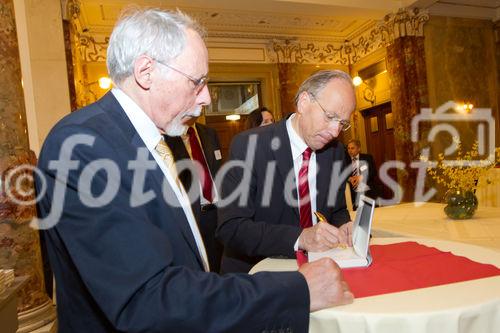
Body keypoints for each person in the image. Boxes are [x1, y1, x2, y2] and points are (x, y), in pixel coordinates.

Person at [34, 9, 353, 333]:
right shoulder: (81, 146)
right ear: (146, 72)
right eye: (196, 82)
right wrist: (297, 290)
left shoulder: (152, 141)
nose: (206, 97)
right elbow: (147, 299)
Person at [217, 70, 356, 274]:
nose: (335, 132)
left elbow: (336, 210)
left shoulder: (334, 151)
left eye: (342, 123)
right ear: (303, 102)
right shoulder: (250, 146)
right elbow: (232, 228)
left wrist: (345, 226)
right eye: (330, 117)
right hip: (257, 275)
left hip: (318, 269)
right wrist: (301, 238)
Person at [164, 118, 224, 272]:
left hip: (220, 211)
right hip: (194, 213)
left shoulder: (209, 133)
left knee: (223, 265)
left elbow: (218, 168)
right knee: (201, 268)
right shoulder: (168, 135)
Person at [346, 139, 380, 208]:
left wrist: (361, 177)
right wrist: (350, 179)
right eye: (348, 148)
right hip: (354, 194)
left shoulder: (367, 158)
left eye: (352, 148)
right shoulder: (345, 161)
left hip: (368, 192)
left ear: (359, 149)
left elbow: (373, 172)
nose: (350, 150)